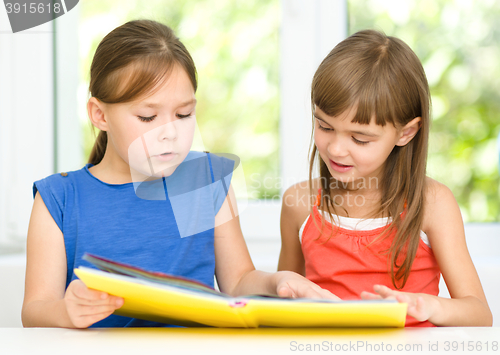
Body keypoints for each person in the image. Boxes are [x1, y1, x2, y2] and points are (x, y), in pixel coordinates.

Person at [22, 19, 334, 329]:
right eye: (148, 117)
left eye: (183, 114)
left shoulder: (205, 180)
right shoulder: (59, 199)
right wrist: (66, 312)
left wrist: (277, 281)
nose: (170, 132)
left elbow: (238, 281)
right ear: (99, 114)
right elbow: (35, 310)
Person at [278, 30, 492, 327]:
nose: (336, 148)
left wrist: (427, 306)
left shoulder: (432, 204)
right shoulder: (298, 204)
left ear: (406, 132)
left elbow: (479, 314)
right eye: (325, 127)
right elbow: (281, 306)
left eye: (360, 138)